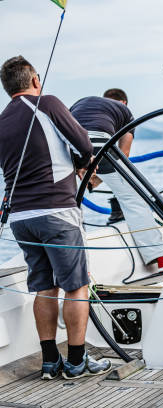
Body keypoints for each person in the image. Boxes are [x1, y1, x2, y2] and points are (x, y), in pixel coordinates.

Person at [0, 56, 111, 379]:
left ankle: (50, 361)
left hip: (21, 218)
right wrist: (80, 163)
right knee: (77, 287)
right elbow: (84, 143)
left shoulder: (2, 120)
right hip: (57, 213)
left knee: (44, 287)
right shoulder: (47, 103)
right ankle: (77, 361)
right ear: (35, 80)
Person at [70, 89, 163, 270]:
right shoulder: (125, 112)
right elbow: (123, 154)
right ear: (123, 102)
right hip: (99, 142)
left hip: (69, 143)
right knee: (133, 198)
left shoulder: (82, 101)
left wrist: (89, 173)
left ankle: (74, 254)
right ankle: (157, 254)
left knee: (70, 200)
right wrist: (99, 175)